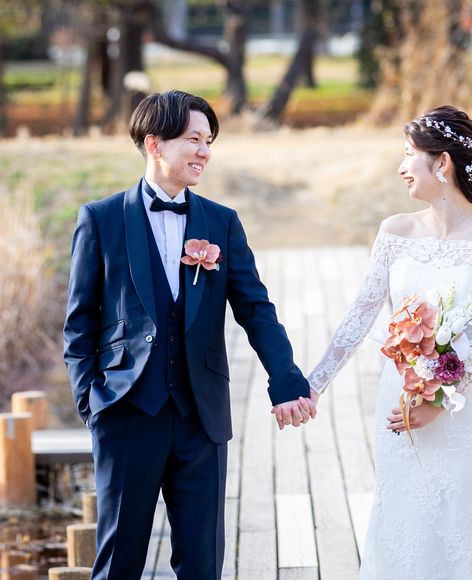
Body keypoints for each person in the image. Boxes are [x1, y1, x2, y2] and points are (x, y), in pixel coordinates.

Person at [63, 90, 316, 580]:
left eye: (209, 141)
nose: (205, 152)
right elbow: (79, 324)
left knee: (203, 566)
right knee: (117, 566)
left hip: (202, 419)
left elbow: (256, 310)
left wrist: (286, 380)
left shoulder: (221, 222)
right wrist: (92, 406)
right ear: (154, 144)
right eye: (194, 140)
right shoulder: (101, 219)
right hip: (126, 413)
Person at [305, 106, 472, 579]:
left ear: (442, 163)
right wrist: (312, 385)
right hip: (399, 403)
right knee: (403, 524)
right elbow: (360, 316)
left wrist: (441, 400)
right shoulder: (395, 232)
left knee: (463, 531)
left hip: (466, 412)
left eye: (409, 155)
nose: (401, 167)